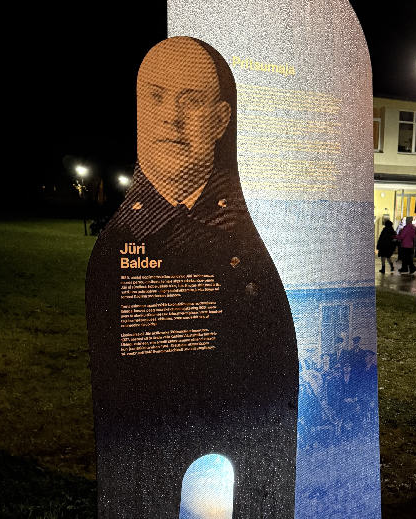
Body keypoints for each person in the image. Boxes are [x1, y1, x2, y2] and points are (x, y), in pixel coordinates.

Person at [85, 37, 298, 516]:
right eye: (156, 98)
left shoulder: (258, 238)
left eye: (191, 101)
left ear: (220, 120)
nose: (171, 117)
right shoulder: (118, 245)